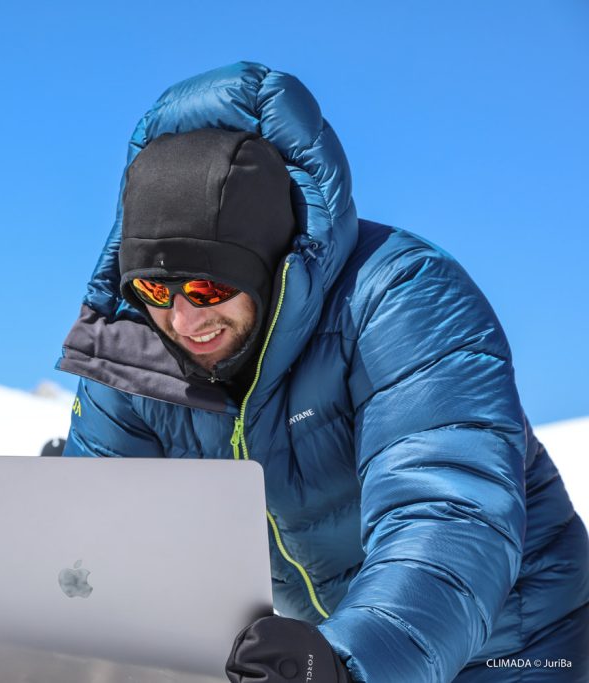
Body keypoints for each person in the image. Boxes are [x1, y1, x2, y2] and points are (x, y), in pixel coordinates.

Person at [56, 62, 588, 683]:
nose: (180, 319)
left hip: (512, 646)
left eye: (206, 287)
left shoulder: (400, 297)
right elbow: (94, 547)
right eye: (152, 285)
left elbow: (447, 513)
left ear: (268, 263)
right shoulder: (134, 344)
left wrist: (348, 658)